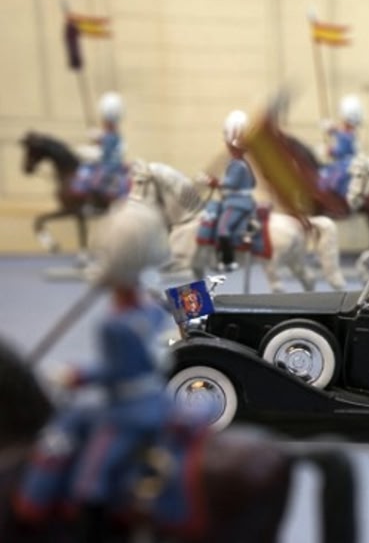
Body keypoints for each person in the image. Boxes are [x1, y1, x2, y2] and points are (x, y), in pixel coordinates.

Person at [14, 201, 171, 540]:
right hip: (159, 398)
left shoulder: (114, 325)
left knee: (87, 477)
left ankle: (61, 514)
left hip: (127, 410)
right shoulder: (153, 309)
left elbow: (115, 372)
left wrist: (75, 376)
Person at [207, 109, 257, 272]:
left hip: (236, 203)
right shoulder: (244, 164)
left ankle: (228, 261)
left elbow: (231, 183)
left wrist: (216, 183)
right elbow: (252, 183)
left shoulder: (237, 164)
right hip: (242, 201)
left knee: (223, 229)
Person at [73, 91, 127, 201]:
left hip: (110, 164)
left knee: (94, 177)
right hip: (107, 162)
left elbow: (106, 152)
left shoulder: (112, 136)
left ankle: (93, 197)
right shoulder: (108, 134)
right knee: (86, 167)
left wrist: (98, 140)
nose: (105, 124)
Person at [319, 94, 363, 198]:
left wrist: (330, 151)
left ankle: (329, 197)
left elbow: (341, 151)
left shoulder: (348, 136)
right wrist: (330, 129)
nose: (342, 122)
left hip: (345, 166)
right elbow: (338, 131)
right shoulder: (347, 133)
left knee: (327, 178)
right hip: (343, 164)